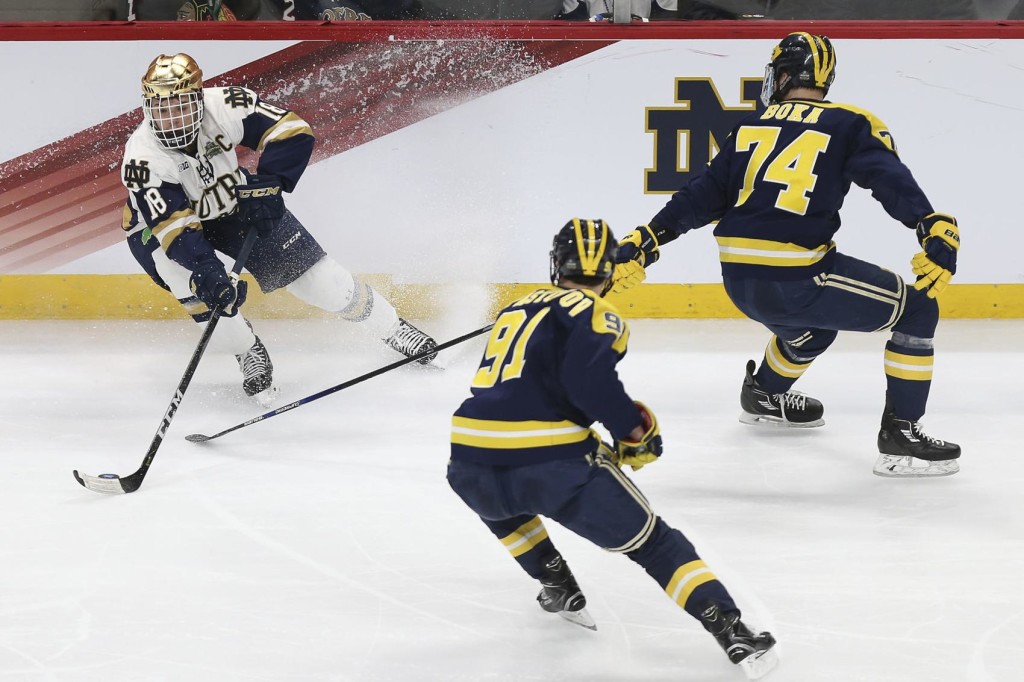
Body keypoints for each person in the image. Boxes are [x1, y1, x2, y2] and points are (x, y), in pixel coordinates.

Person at [611, 33, 961, 478]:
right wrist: (929, 225)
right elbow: (888, 181)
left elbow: (701, 197)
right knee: (917, 311)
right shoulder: (851, 122)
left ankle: (763, 394)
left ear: (783, 74)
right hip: (798, 280)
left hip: (739, 279)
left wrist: (647, 239)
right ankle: (902, 435)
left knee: (813, 333)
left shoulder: (750, 126)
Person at [446, 218, 778, 680]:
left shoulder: (515, 307)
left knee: (503, 497)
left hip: (467, 456)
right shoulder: (602, 314)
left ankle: (555, 582)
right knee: (655, 543)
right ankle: (732, 629)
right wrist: (633, 431)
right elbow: (589, 382)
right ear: (609, 270)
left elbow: (518, 390)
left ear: (554, 264)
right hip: (552, 461)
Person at [120, 53, 437, 406]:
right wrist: (208, 271)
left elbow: (291, 130)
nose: (170, 119)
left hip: (230, 203)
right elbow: (176, 229)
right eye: (160, 109)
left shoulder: (224, 104)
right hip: (162, 233)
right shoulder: (141, 160)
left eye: (178, 106)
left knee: (323, 284)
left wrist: (269, 185)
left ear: (197, 98)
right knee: (208, 298)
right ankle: (246, 350)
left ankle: (392, 328)